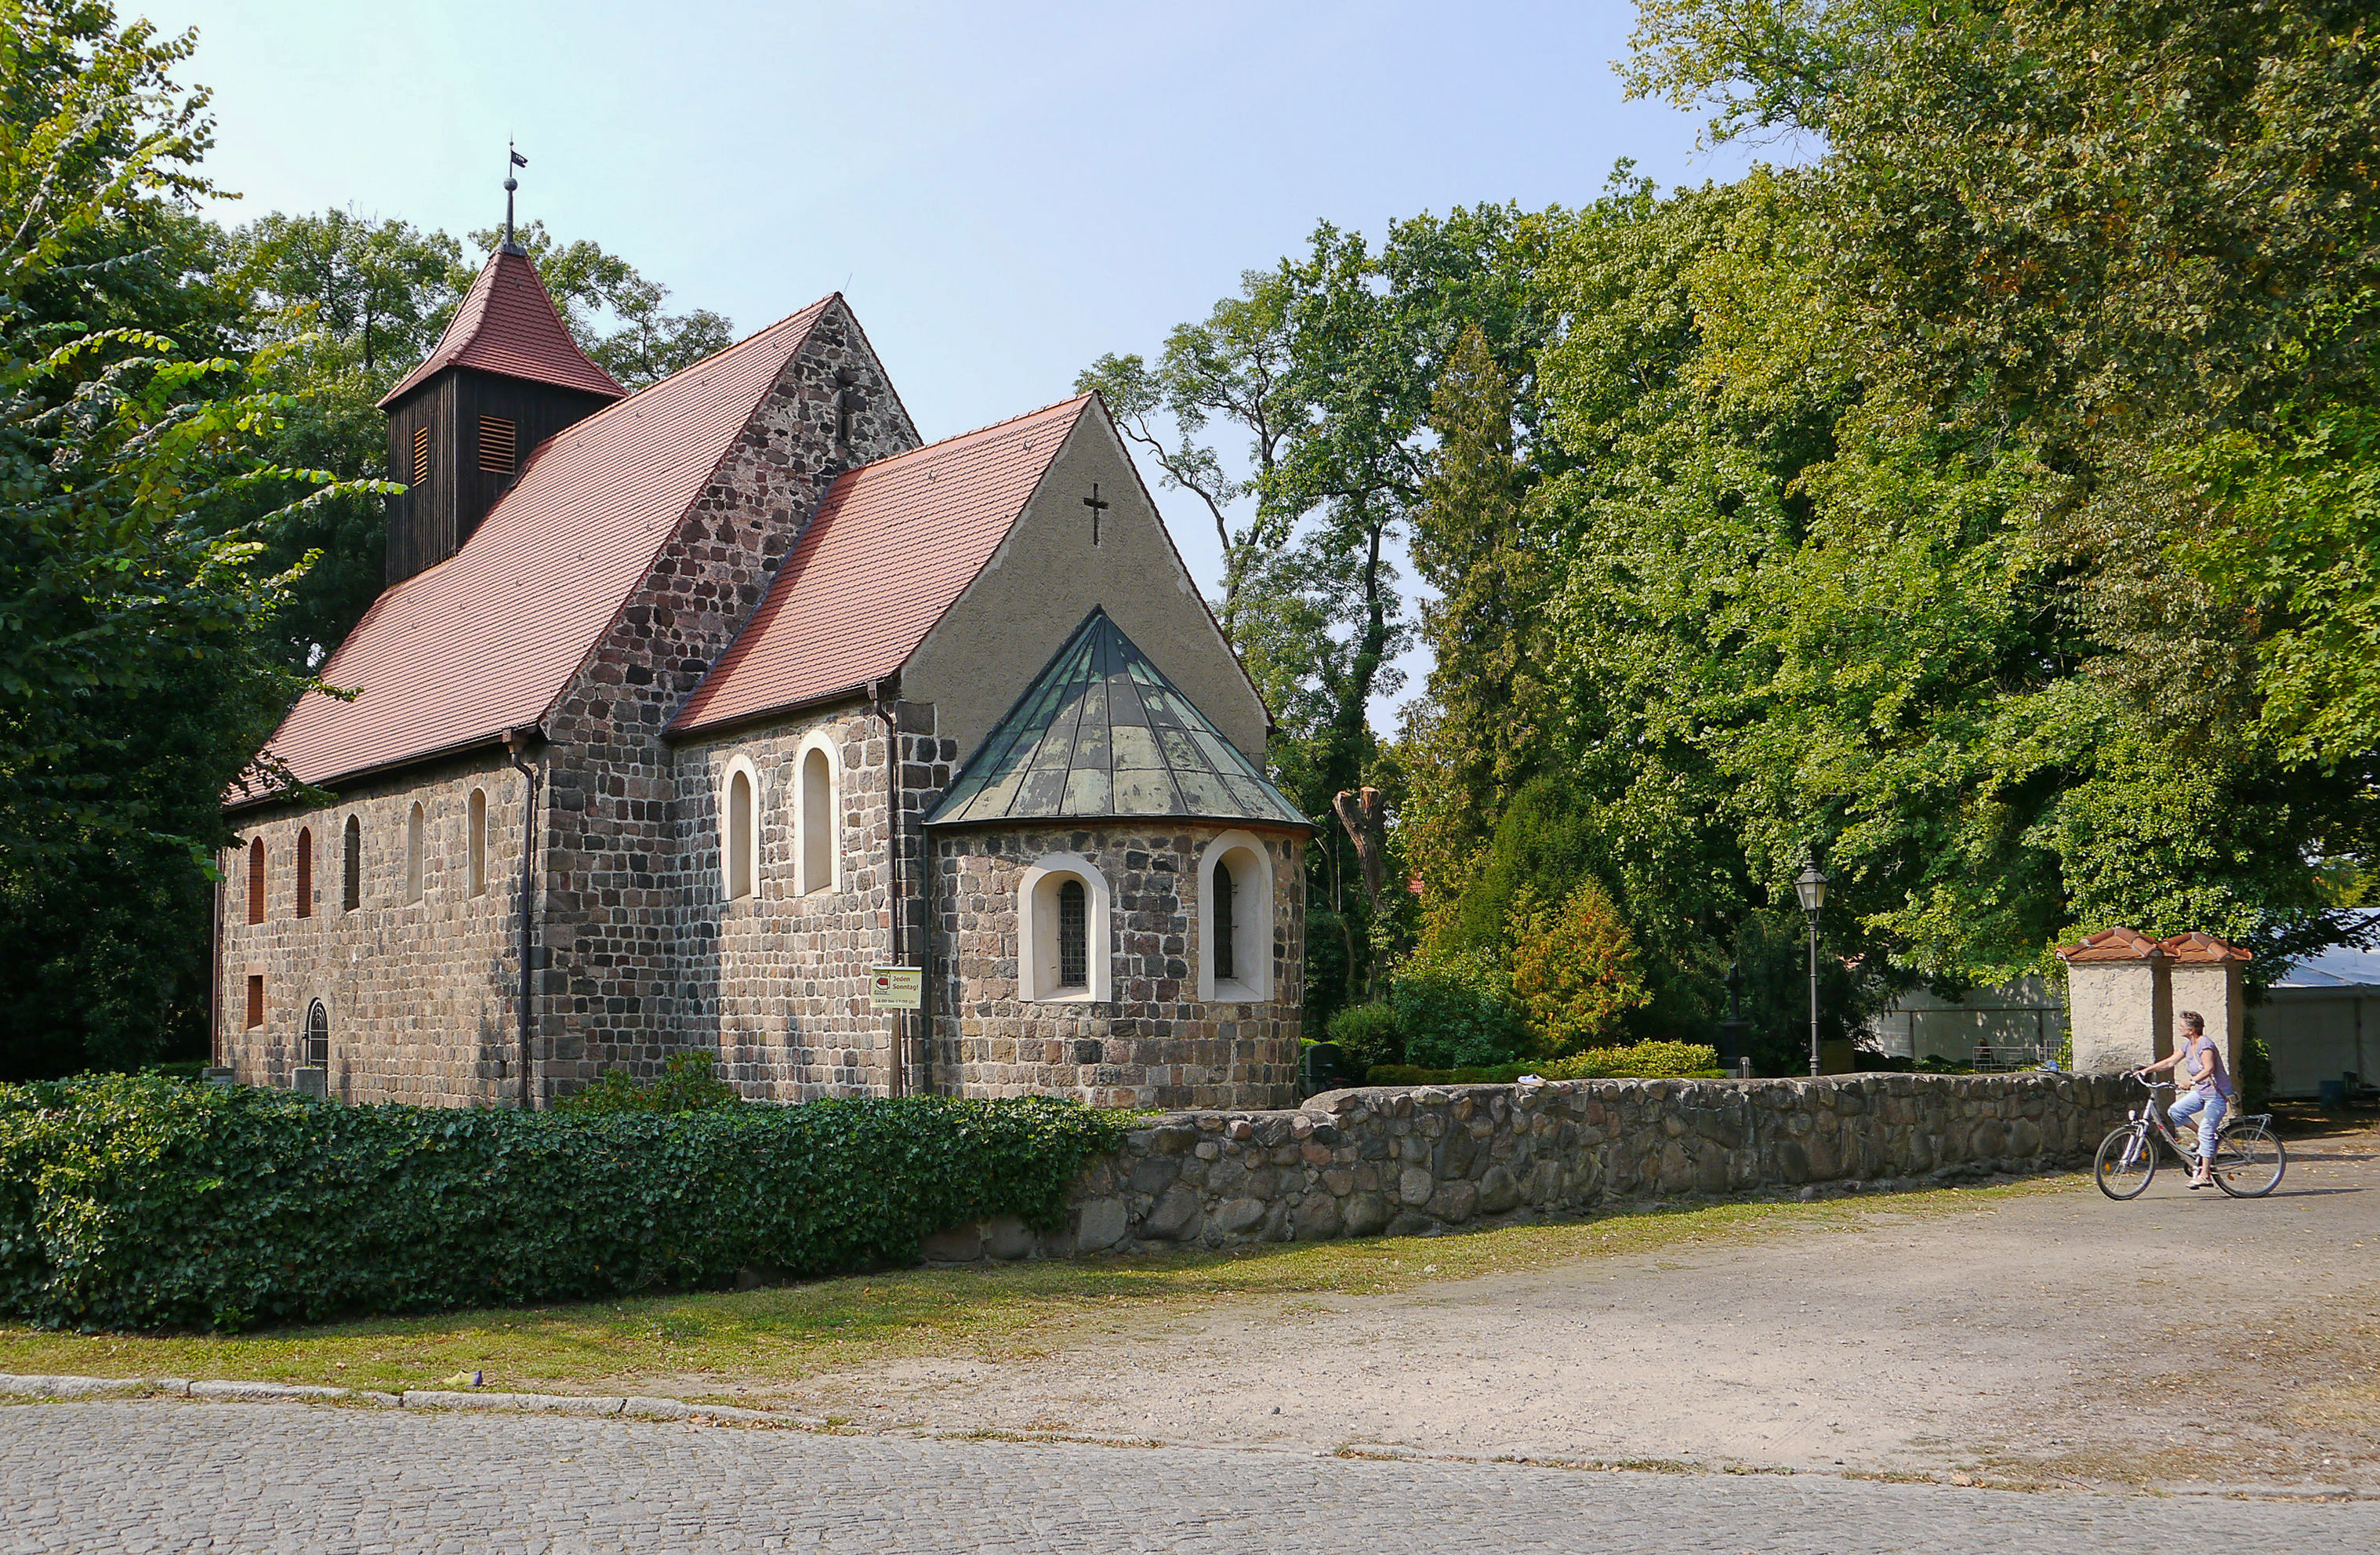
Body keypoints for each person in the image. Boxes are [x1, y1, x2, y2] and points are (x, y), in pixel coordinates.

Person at [2137, 1012, 2233, 1187]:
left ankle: (2205, 1175)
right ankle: (2205, 1140)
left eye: (2182, 1025)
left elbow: (2209, 1068)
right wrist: (2147, 1070)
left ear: (2192, 1029)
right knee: (2176, 1111)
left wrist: (2191, 1081)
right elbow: (2170, 1062)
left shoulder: (2205, 1043)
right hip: (2203, 1093)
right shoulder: (2188, 1045)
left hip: (2217, 1095)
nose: (2179, 1027)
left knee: (2205, 1131)